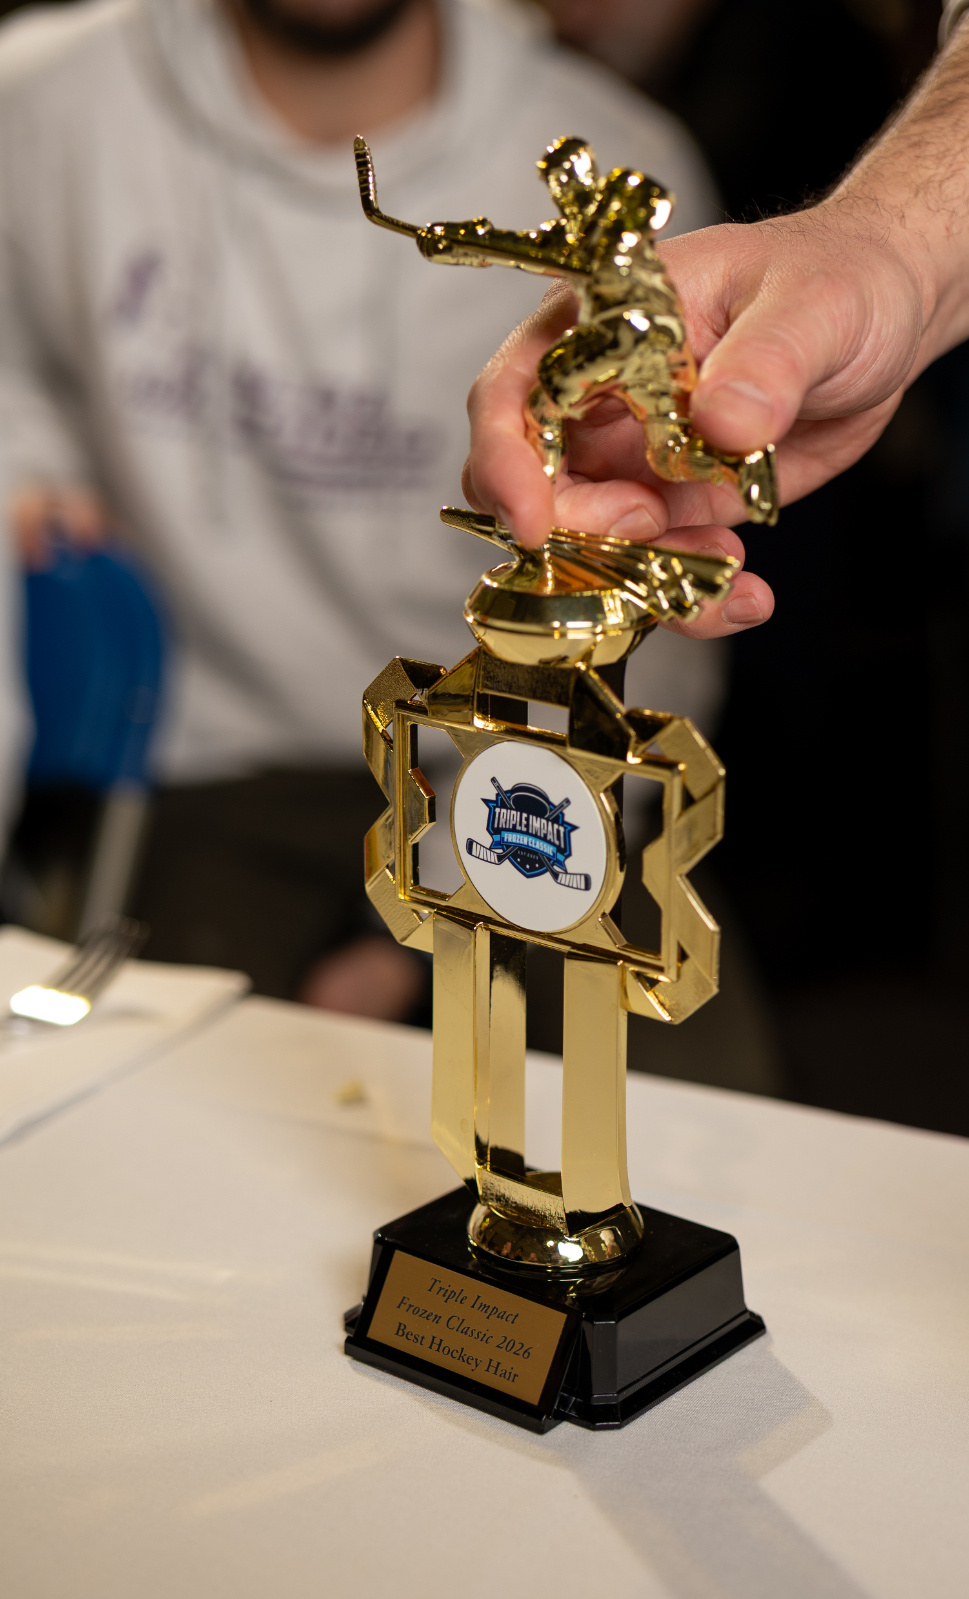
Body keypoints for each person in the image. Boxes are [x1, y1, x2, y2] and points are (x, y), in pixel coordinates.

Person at [0, 0, 717, 1012]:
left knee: (666, 1084)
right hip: (211, 766)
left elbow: (657, 597)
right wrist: (30, 459)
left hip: (527, 756)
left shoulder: (620, 156)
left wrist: (434, 923)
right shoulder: (45, 96)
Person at [462, 0, 969, 643]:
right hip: (670, 355)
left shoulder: (626, 186)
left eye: (564, 175)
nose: (560, 183)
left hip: (652, 343)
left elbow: (564, 247)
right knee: (627, 434)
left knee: (597, 415)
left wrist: (890, 251)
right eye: (555, 178)